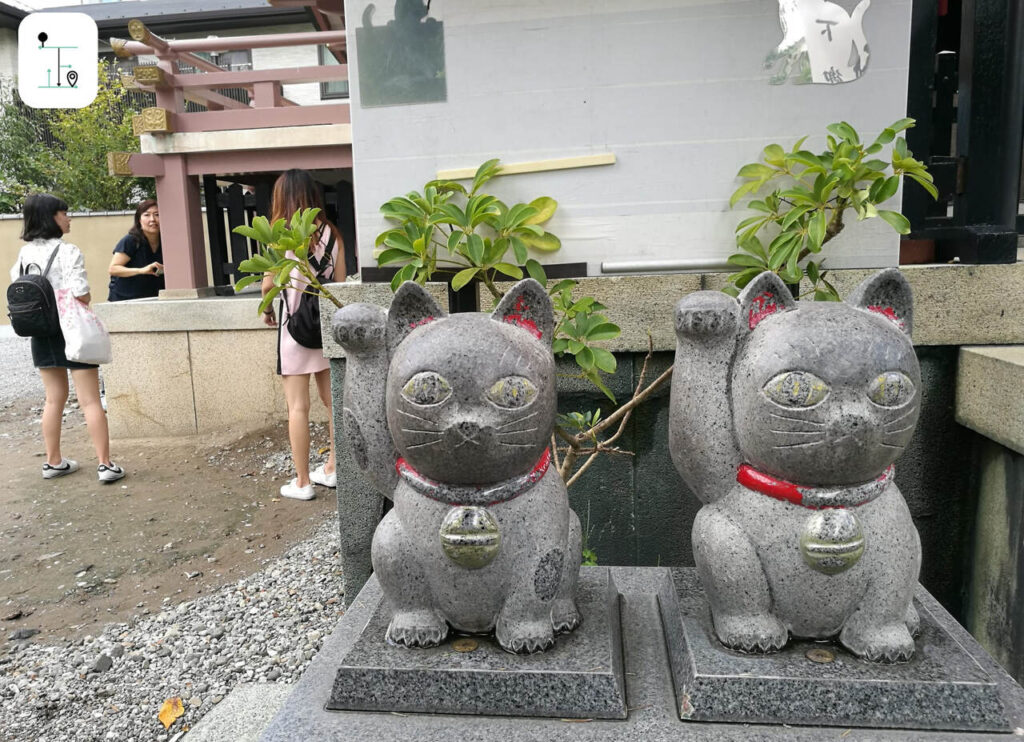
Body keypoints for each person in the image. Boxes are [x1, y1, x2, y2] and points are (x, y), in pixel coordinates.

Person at [9, 194, 125, 483]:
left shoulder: (24, 255)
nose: (69, 218)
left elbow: (17, 285)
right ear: (51, 218)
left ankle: (53, 462)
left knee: (52, 400)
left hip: (41, 330)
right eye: (64, 213)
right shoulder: (68, 251)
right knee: (89, 400)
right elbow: (82, 292)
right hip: (72, 329)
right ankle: (105, 465)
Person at [261, 171, 344, 500]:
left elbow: (269, 284)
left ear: (282, 198)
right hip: (325, 329)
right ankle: (334, 468)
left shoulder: (280, 237)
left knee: (298, 407)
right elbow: (338, 286)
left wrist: (267, 307)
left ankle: (302, 482)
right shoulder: (333, 235)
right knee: (332, 403)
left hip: (294, 331)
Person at [107, 199, 163, 301]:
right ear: (139, 219)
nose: (152, 219)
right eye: (147, 215)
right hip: (125, 300)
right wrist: (141, 270)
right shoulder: (131, 240)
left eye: (157, 214)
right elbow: (113, 269)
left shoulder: (167, 241)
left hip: (154, 299)